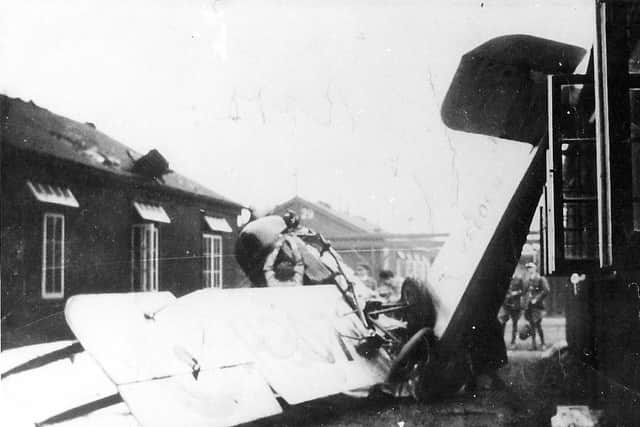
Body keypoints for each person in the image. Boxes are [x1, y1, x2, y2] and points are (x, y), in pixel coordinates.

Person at [522, 262, 550, 350]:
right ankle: (533, 345)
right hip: (529, 306)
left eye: (531, 268)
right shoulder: (527, 280)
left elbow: (546, 290)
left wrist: (536, 299)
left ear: (535, 269)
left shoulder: (540, 278)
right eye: (528, 268)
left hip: (537, 306)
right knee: (532, 325)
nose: (529, 270)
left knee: (538, 324)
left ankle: (543, 344)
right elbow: (525, 292)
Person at [498, 272, 524, 349]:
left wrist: (515, 293)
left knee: (514, 324)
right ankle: (501, 342)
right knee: (502, 323)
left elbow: (523, 291)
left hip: (515, 305)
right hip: (505, 304)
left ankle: (513, 342)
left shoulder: (519, 279)